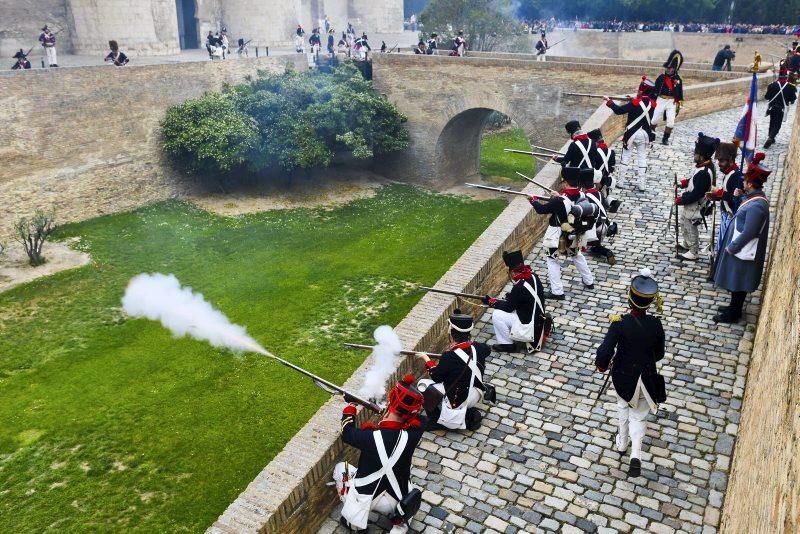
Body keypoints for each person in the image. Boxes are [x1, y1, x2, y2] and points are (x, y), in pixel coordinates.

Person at [595, 267, 665, 478]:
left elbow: (605, 351)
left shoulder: (619, 323)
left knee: (622, 404)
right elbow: (659, 354)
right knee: (639, 416)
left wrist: (602, 365)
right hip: (646, 378)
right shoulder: (655, 324)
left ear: (630, 298)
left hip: (623, 377)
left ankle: (622, 443)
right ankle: (635, 454)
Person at [334, 376, 425, 534]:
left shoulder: (369, 436)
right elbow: (415, 420)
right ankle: (400, 525)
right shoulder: (415, 433)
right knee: (410, 487)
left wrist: (351, 406)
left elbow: (347, 432)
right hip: (396, 500)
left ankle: (353, 522)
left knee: (340, 468)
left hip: (366, 499)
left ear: (391, 402)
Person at [530, 150, 596, 300]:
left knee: (552, 260)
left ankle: (557, 291)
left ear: (565, 181)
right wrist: (558, 196)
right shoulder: (582, 195)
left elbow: (542, 210)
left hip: (557, 233)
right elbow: (570, 202)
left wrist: (532, 200)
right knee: (577, 255)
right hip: (574, 231)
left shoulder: (559, 200)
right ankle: (589, 281)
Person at [713, 153, 771, 324]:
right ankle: (732, 307)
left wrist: (733, 246)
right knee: (735, 278)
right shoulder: (752, 198)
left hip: (743, 249)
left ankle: (734, 313)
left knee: (739, 280)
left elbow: (750, 231)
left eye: (746, 180)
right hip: (739, 247)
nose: (743, 182)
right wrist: (740, 196)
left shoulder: (758, 205)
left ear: (751, 183)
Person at [416, 309, 488, 430]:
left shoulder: (449, 356)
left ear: (451, 332)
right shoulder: (480, 347)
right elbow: (486, 349)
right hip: (476, 394)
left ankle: (435, 420)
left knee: (423, 385)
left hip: (459, 399)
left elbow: (436, 376)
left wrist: (426, 358)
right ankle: (467, 413)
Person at [482, 250, 550, 352]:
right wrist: (497, 300)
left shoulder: (519, 286)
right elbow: (519, 299)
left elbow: (508, 307)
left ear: (513, 271)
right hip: (536, 317)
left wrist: (493, 303)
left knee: (497, 315)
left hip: (529, 324)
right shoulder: (534, 276)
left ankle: (507, 344)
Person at [605, 77, 656, 191]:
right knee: (642, 158)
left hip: (632, 133)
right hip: (644, 134)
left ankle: (621, 182)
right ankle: (642, 185)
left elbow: (618, 110)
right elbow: (642, 104)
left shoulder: (634, 103)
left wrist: (609, 101)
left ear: (642, 90)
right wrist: (633, 99)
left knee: (626, 157)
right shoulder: (652, 104)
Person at [675, 133, 718, 261]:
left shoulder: (704, 172)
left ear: (702, 155)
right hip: (692, 204)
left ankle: (693, 251)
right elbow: (694, 180)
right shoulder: (702, 168)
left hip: (696, 204)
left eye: (696, 153)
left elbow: (696, 193)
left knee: (690, 225)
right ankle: (687, 244)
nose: (694, 155)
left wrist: (681, 200)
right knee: (683, 222)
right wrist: (684, 183)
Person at [705, 143, 743, 262]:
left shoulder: (736, 176)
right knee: (720, 244)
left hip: (730, 216)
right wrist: (715, 196)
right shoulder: (728, 173)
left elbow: (734, 199)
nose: (719, 163)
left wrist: (719, 192)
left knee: (724, 245)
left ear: (730, 159)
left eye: (722, 160)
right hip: (725, 215)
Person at [653, 50, 684, 145]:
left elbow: (680, 92)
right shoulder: (661, 78)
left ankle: (665, 138)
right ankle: (651, 134)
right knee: (653, 120)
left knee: (670, 123)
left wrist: (679, 102)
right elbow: (655, 90)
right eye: (668, 68)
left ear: (674, 69)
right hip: (661, 100)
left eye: (670, 68)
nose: (668, 70)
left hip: (671, 102)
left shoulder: (678, 79)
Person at [587, 128, 621, 213]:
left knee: (595, 194)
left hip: (597, 178)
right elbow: (612, 166)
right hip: (607, 178)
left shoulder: (594, 151)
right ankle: (613, 202)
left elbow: (592, 165)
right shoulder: (611, 152)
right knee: (604, 195)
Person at [763, 69, 797, 148]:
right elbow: (793, 99)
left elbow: (766, 97)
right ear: (786, 77)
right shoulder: (790, 87)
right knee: (777, 124)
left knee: (772, 122)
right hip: (781, 108)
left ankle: (771, 137)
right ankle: (771, 137)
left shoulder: (772, 85)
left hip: (772, 108)